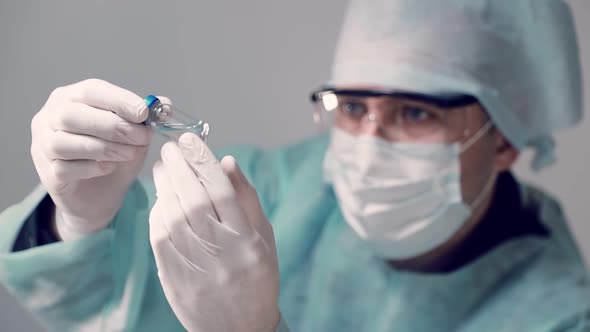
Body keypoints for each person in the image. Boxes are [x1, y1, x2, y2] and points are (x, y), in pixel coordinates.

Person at [1, 0, 590, 331]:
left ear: (506, 139)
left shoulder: (559, 315)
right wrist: (79, 219)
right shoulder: (280, 190)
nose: (368, 142)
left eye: (415, 113)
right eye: (353, 106)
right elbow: (96, 303)